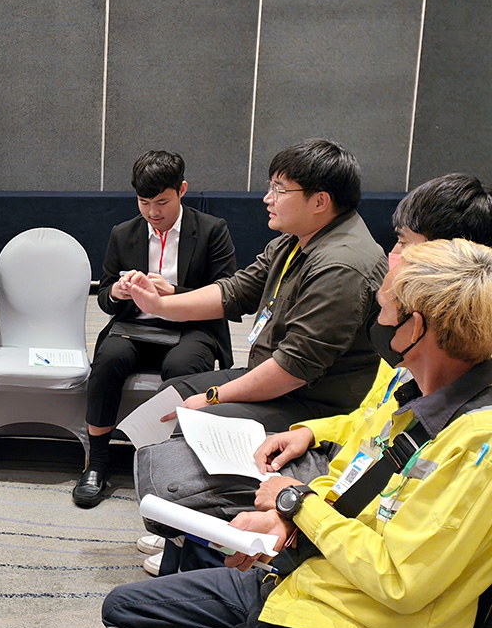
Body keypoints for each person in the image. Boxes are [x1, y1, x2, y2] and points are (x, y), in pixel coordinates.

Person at [93, 238, 492, 628]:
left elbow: (399, 581)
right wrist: (289, 523)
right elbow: (353, 473)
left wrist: (297, 503)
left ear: (416, 327)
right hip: (309, 577)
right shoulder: (413, 389)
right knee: (123, 607)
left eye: (385, 308)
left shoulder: (477, 444)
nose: (377, 319)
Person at [127, 139, 386, 432]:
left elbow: (295, 367)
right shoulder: (296, 240)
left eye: (279, 190)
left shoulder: (341, 266)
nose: (267, 198)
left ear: (319, 201)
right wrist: (160, 304)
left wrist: (214, 397)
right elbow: (236, 291)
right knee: (171, 395)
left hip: (314, 400)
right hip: (278, 379)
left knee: (195, 420)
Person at [76, 150, 237, 508]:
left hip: (192, 328)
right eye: (144, 202)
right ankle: (97, 462)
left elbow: (228, 293)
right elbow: (104, 296)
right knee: (108, 359)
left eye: (161, 202)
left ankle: (174, 464)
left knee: (183, 367)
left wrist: (174, 293)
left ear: (182, 190)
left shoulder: (212, 230)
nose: (152, 212)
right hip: (135, 326)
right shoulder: (124, 233)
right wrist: (117, 292)